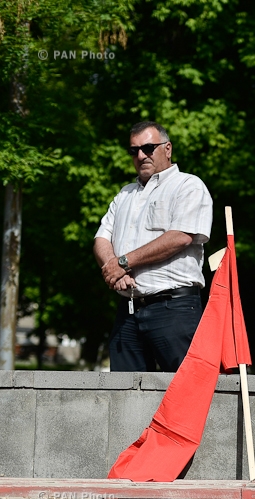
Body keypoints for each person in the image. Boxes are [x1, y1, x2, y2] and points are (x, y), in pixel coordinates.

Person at [94, 121, 213, 372]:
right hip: (128, 310)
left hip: (174, 309)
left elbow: (181, 237)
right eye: (134, 150)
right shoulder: (124, 194)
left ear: (167, 149)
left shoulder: (188, 185)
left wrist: (123, 263)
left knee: (185, 393)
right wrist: (113, 270)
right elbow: (101, 238)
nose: (140, 155)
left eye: (148, 148)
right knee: (124, 398)